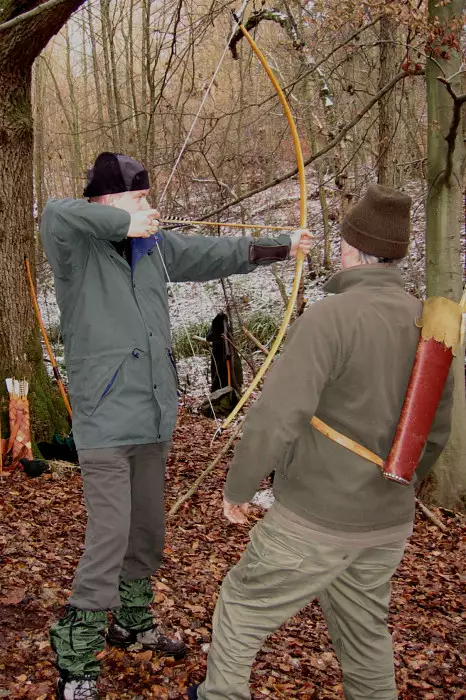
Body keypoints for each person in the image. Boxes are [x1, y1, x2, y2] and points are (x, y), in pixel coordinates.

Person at [39, 151, 312, 700]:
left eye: (146, 198)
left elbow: (216, 253)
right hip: (104, 421)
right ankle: (76, 652)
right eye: (138, 197)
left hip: (153, 414)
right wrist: (124, 221)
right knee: (111, 532)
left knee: (147, 530)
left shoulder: (153, 250)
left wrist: (283, 247)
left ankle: (132, 622)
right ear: (107, 200)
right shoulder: (77, 249)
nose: (149, 206)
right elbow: (53, 212)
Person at [190, 184, 454, 700]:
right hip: (387, 525)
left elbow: (277, 415)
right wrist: (402, 485)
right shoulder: (431, 322)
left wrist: (239, 487)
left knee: (241, 607)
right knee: (364, 636)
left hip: (316, 520)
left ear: (351, 249)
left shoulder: (331, 316)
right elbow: (438, 429)